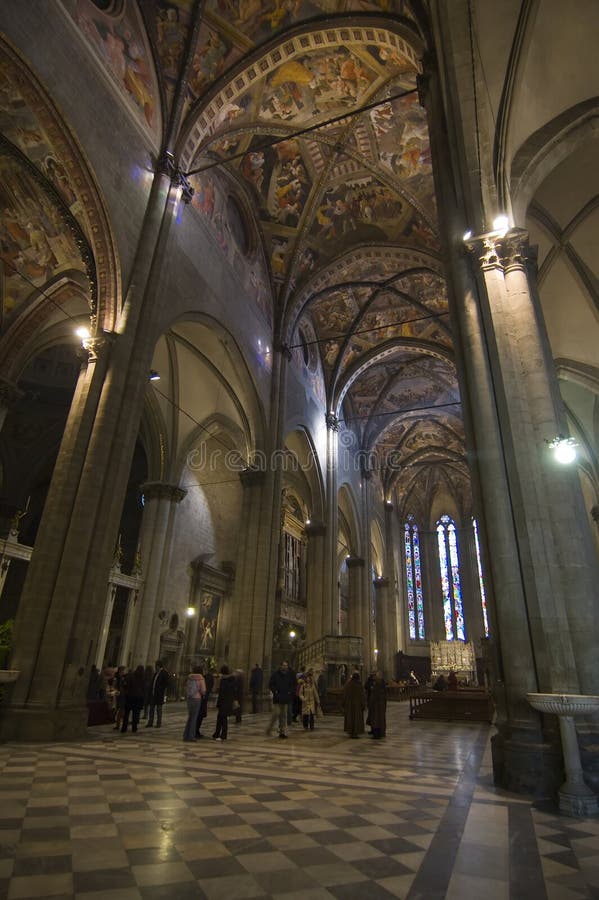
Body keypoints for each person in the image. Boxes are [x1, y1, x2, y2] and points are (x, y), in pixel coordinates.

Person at [266, 660, 296, 739]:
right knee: (276, 713)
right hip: (277, 698)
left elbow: (293, 684)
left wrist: (290, 692)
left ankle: (283, 732)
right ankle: (269, 729)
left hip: (285, 697)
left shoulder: (289, 675)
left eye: (286, 665)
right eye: (283, 665)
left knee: (284, 716)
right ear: (280, 666)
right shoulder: (275, 674)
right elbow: (271, 684)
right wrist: (275, 691)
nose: (285, 667)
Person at [213, 665, 236, 741]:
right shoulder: (231, 680)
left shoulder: (224, 680)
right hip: (227, 701)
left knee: (223, 718)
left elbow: (222, 692)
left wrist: (219, 703)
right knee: (220, 718)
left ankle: (223, 735)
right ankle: (217, 733)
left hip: (224, 702)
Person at [182, 667, 206, 742]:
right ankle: (191, 736)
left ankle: (185, 735)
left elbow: (186, 688)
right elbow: (203, 690)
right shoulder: (201, 678)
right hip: (197, 699)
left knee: (190, 717)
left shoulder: (189, 678)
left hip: (189, 699)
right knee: (194, 718)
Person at [121, 664, 145, 733]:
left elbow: (125, 684)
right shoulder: (142, 678)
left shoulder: (131, 675)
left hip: (129, 696)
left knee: (127, 713)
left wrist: (126, 691)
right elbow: (144, 688)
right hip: (137, 697)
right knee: (135, 714)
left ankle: (124, 728)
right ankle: (134, 728)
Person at [146, 660, 169, 728]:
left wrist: (161, 689)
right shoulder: (156, 673)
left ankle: (158, 722)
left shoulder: (164, 673)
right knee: (151, 708)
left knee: (159, 709)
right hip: (153, 694)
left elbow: (166, 683)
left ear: (158, 666)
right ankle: (150, 721)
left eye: (156, 666)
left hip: (159, 694)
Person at [343, 670, 366, 738]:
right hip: (357, 706)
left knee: (350, 718)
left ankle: (350, 732)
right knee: (356, 719)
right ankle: (355, 732)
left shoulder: (348, 685)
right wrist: (363, 705)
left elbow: (345, 695)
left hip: (349, 705)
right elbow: (363, 696)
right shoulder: (359, 685)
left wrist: (343, 703)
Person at [367, 671, 387, 739]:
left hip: (377, 705)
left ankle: (377, 734)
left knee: (377, 720)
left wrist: (371, 703)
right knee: (379, 719)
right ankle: (379, 733)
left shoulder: (378, 683)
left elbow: (375, 695)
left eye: (375, 676)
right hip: (379, 704)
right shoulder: (381, 683)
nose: (374, 677)